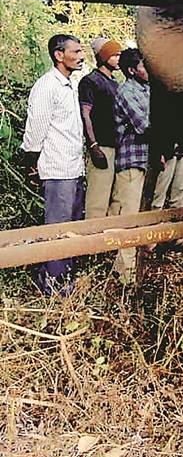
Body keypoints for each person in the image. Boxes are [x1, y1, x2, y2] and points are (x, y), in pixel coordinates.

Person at [20, 34, 85, 294]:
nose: (81, 56)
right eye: (76, 51)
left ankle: (64, 277)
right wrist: (30, 163)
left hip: (74, 168)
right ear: (59, 55)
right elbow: (35, 130)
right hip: (57, 169)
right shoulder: (47, 86)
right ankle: (54, 285)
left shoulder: (70, 84)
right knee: (57, 228)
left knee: (70, 226)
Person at [111, 47, 150, 284]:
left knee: (140, 216)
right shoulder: (126, 91)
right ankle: (127, 277)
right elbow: (144, 125)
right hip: (131, 161)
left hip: (145, 160)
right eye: (144, 66)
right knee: (130, 217)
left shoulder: (148, 89)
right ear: (131, 70)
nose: (149, 69)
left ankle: (121, 269)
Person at [78, 37, 121, 219]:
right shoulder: (90, 81)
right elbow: (85, 113)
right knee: (97, 200)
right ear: (104, 57)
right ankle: (93, 243)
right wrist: (94, 146)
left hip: (116, 146)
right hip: (101, 146)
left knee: (114, 198)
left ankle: (107, 242)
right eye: (115, 54)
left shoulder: (115, 84)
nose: (119, 58)